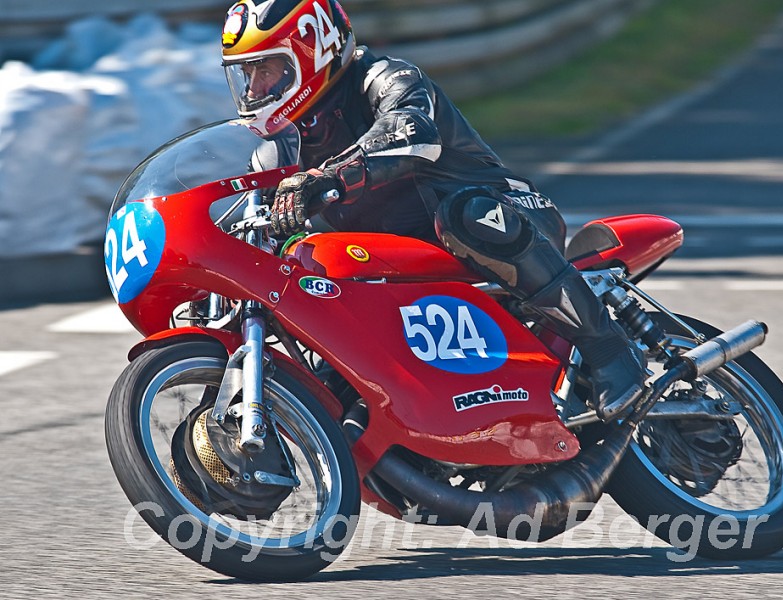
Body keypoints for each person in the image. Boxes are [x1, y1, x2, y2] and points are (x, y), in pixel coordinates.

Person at [221, 0, 645, 421]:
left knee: (464, 216)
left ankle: (606, 345)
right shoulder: (275, 152)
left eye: (266, 70)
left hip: (503, 219)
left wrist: (329, 177)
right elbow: (253, 231)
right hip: (403, 274)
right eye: (247, 74)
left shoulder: (385, 78)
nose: (255, 90)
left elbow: (411, 132)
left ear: (312, 52)